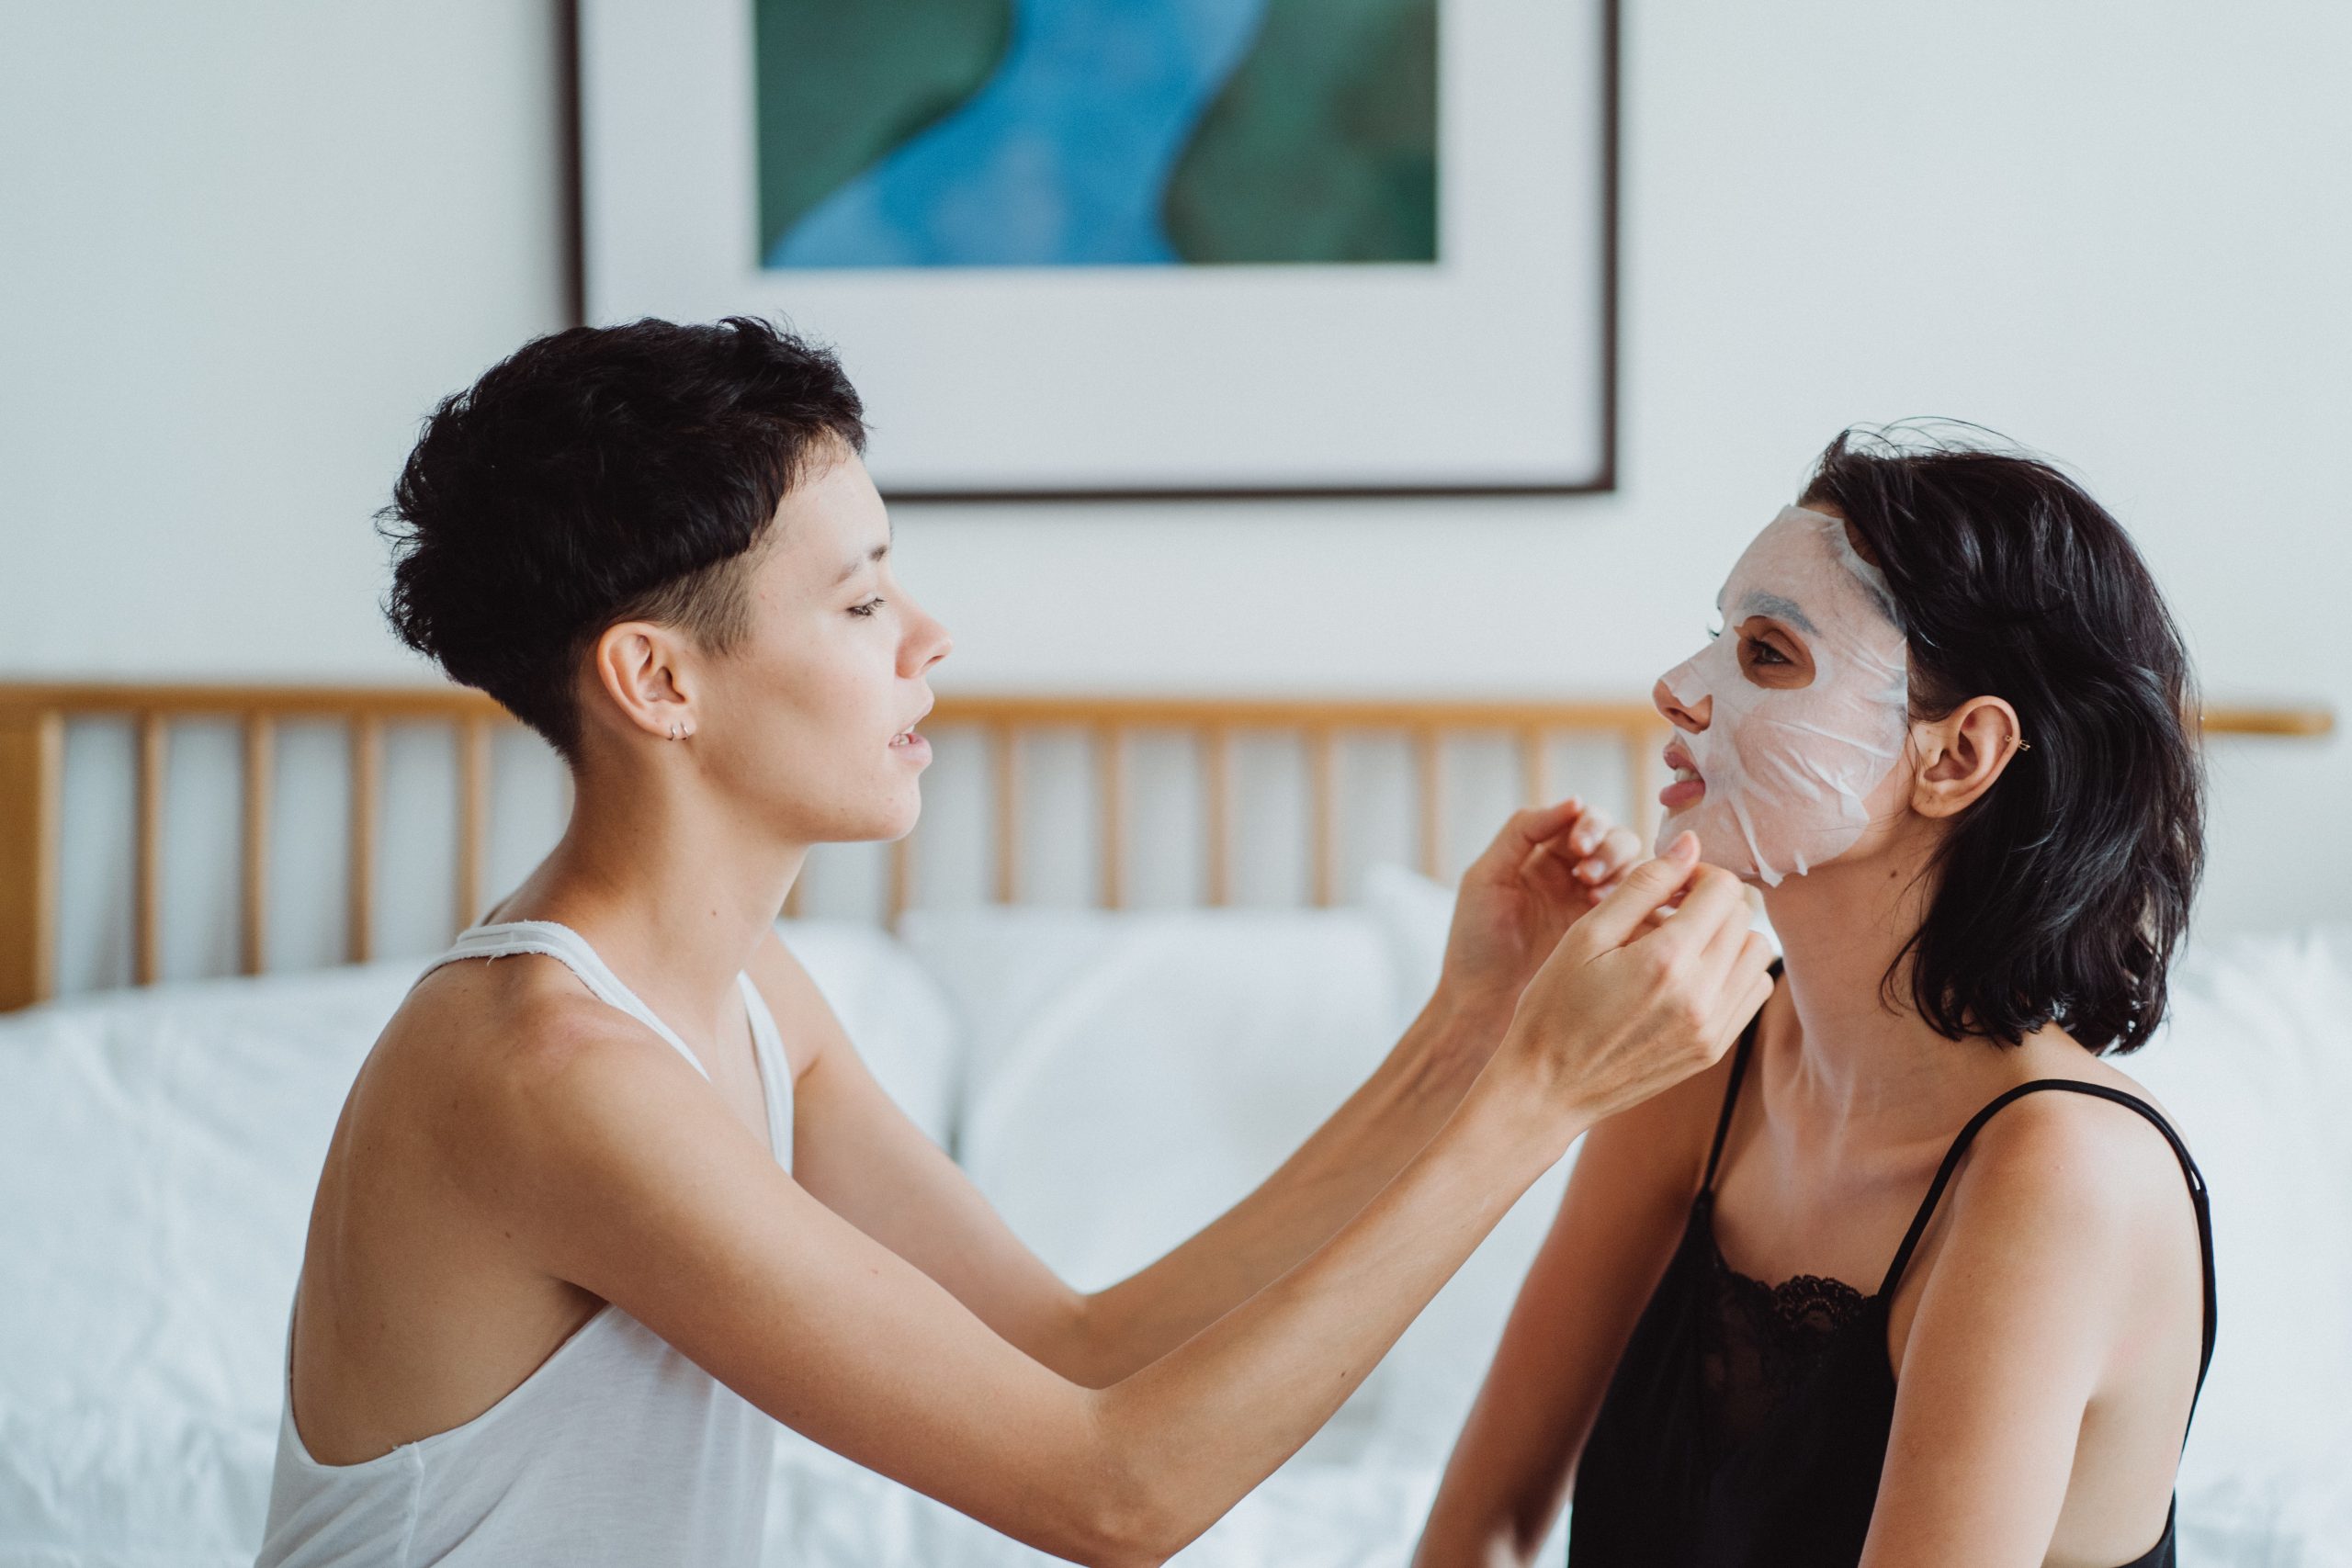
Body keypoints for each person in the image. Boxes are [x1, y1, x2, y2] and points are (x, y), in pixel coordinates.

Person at [255, 316, 1776, 1568]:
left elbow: (1078, 1346)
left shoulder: (740, 994)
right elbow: (1111, 1493)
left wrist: (1470, 1034)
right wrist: (1542, 1100)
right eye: (859, 602)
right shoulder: (553, 1069)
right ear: (657, 679)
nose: (929, 636)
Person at [1412, 430, 2214, 1568]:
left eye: (1767, 653)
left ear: (1957, 756)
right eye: (1713, 638)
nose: (1676, 690)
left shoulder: (2053, 1175)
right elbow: (1481, 1532)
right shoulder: (1702, 1052)